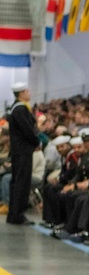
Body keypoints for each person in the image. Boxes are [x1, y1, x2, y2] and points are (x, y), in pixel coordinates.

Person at [6, 82, 39, 225]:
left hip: (20, 150)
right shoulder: (20, 109)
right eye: (27, 91)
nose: (29, 93)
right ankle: (17, 214)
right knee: (22, 182)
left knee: (18, 181)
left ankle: (15, 214)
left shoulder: (18, 108)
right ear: (21, 94)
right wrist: (37, 142)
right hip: (23, 151)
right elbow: (27, 130)